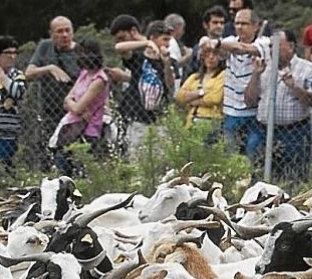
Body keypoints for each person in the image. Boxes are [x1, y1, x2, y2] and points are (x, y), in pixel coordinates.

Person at [244, 27, 312, 186]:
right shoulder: (263, 68)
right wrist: (255, 75)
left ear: (291, 46)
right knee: (258, 177)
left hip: (294, 131)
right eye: (270, 46)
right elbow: (250, 101)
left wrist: (294, 87)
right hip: (263, 130)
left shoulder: (307, 68)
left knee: (294, 177)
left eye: (276, 46)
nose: (271, 50)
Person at [209, 8, 270, 157]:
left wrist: (216, 43)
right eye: (236, 23)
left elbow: (242, 49)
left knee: (252, 150)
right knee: (230, 154)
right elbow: (221, 51)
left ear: (256, 26)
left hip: (253, 111)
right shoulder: (229, 40)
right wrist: (212, 44)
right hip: (231, 110)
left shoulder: (264, 42)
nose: (239, 27)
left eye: (244, 23)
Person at [110, 17, 176, 154]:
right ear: (153, 38)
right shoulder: (139, 58)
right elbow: (119, 47)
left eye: (169, 40)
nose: (167, 44)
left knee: (160, 158)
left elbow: (170, 85)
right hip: (138, 117)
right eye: (164, 39)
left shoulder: (169, 60)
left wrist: (167, 63)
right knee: (137, 156)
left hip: (159, 119)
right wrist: (146, 43)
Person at [25, 16, 80, 170]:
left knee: (74, 155)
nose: (64, 35)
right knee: (50, 154)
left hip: (75, 113)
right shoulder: (45, 47)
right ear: (51, 34)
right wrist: (50, 68)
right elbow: (28, 73)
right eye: (59, 31)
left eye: (67, 30)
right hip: (49, 113)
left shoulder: (81, 51)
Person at [49, 38, 109, 177]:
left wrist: (76, 106)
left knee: (81, 172)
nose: (80, 56)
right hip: (71, 128)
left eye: (84, 53)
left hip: (88, 132)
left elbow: (77, 107)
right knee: (62, 168)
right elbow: (67, 100)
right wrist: (76, 107)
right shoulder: (84, 73)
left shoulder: (99, 79)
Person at [174, 44, 225, 130]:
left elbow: (214, 98)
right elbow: (179, 96)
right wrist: (201, 92)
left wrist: (191, 101)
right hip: (191, 119)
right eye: (207, 55)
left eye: (215, 54)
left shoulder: (222, 75)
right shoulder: (194, 77)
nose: (211, 57)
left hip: (211, 120)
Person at [0, 36, 27, 170]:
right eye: (7, 53)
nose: (12, 56)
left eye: (14, 53)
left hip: (8, 131)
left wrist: (2, 76)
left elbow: (18, 92)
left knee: (5, 165)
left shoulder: (17, 75)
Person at [182, 6, 226, 80]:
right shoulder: (197, 49)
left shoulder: (228, 47)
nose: (219, 26)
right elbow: (189, 73)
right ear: (205, 25)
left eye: (222, 23)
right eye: (215, 22)